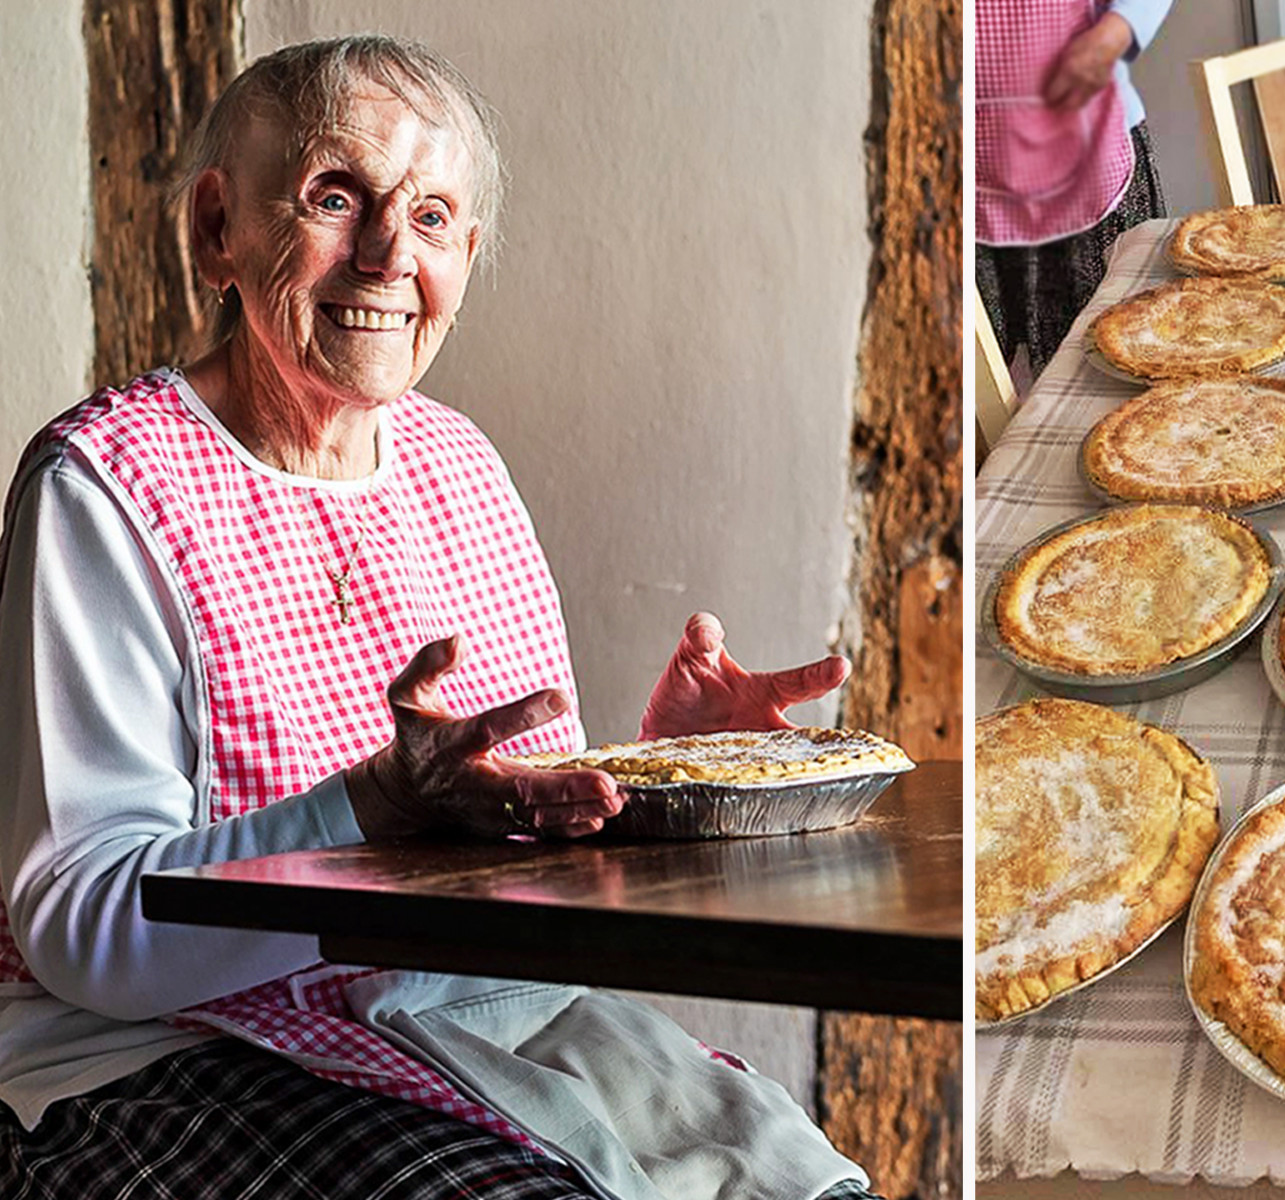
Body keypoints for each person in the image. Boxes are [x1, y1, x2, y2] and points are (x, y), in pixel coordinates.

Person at [0, 35, 876, 1200]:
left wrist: (656, 780)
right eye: (331, 197)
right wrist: (369, 816)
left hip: (471, 1006)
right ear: (218, 227)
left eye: (429, 218)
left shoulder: (458, 463)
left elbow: (503, 837)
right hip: (170, 1052)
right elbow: (85, 931)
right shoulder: (103, 484)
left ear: (464, 255)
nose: (381, 255)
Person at [974, 0, 1174, 376]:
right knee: (984, 397)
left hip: (1093, 146)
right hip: (967, 166)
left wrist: (1114, 32)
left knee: (1132, 364)